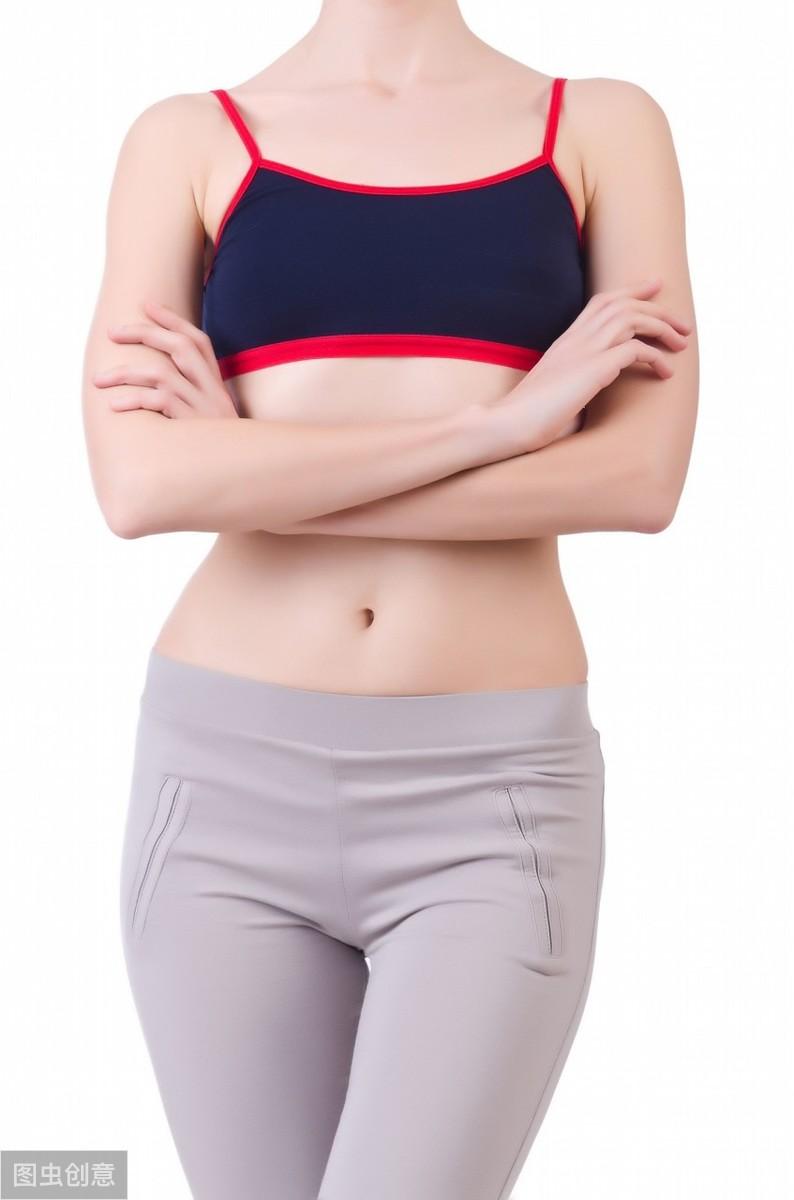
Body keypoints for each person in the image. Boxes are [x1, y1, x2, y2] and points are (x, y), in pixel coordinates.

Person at [81, 3, 698, 1197]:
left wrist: (255, 475)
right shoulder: (186, 138)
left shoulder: (599, 127)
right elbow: (139, 486)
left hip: (489, 797)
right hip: (220, 783)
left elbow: (635, 479)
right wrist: (499, 427)